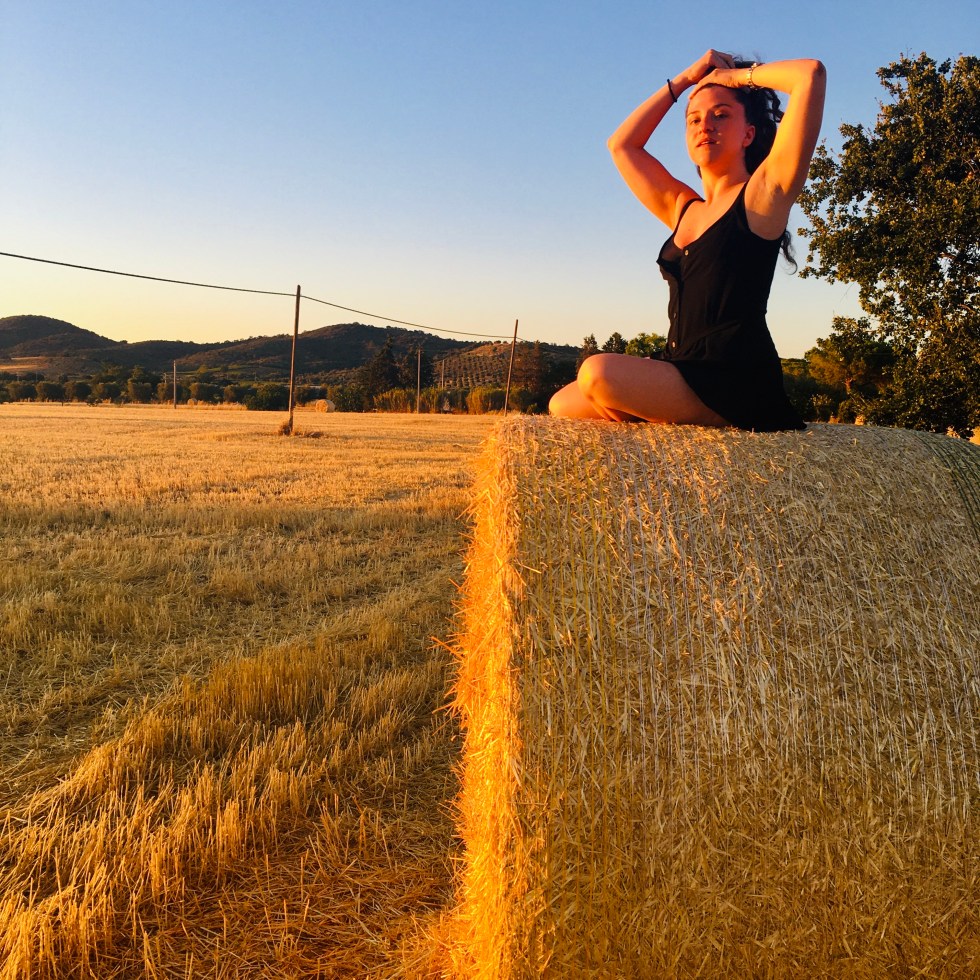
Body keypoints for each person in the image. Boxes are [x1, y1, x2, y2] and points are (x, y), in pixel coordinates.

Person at [549, 50, 826, 430]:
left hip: (735, 379)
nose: (704, 125)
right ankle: (657, 419)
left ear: (748, 134)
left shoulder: (764, 195)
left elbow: (810, 74)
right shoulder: (683, 207)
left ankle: (660, 419)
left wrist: (735, 78)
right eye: (693, 119)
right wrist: (683, 81)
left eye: (721, 115)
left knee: (597, 372)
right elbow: (622, 145)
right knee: (561, 404)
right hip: (681, 367)